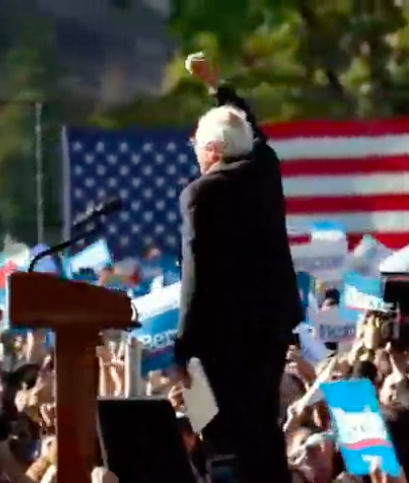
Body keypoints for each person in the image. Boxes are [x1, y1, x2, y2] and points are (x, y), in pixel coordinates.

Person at [170, 52, 302, 483]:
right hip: (270, 332)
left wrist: (182, 346)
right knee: (263, 429)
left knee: (222, 434)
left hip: (223, 339)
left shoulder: (200, 194)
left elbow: (196, 277)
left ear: (212, 149)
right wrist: (217, 87)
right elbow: (253, 133)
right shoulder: (266, 170)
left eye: (196, 147)